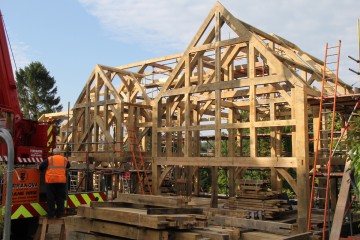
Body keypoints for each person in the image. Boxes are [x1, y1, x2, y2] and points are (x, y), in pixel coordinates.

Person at [39, 148, 70, 218]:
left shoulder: (50, 159)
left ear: (53, 153)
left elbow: (41, 166)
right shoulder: (64, 159)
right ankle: (60, 213)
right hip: (61, 181)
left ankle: (51, 214)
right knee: (60, 198)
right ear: (60, 153)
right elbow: (68, 166)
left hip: (51, 181)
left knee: (51, 198)